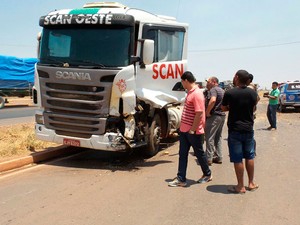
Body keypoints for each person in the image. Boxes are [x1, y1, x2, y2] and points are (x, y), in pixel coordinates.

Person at [168, 71, 212, 187]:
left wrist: (193, 129)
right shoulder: (190, 93)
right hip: (184, 130)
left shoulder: (196, 94)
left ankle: (207, 174)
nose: (182, 84)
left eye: (182, 82)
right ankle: (181, 178)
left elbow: (199, 113)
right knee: (182, 154)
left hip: (193, 131)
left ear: (186, 80)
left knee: (199, 153)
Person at [221, 69, 259, 194]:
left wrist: (232, 107)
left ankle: (240, 186)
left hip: (235, 130)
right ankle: (251, 183)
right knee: (250, 156)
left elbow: (223, 108)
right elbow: (254, 106)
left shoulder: (230, 93)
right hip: (248, 129)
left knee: (237, 159)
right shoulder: (253, 93)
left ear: (237, 77)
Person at [204, 76, 226, 165]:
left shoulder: (213, 90)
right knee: (218, 137)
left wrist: (207, 112)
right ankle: (219, 157)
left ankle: (209, 158)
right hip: (221, 116)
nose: (206, 83)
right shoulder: (222, 90)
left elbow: (212, 100)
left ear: (213, 82)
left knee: (209, 137)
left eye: (208, 81)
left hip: (214, 116)